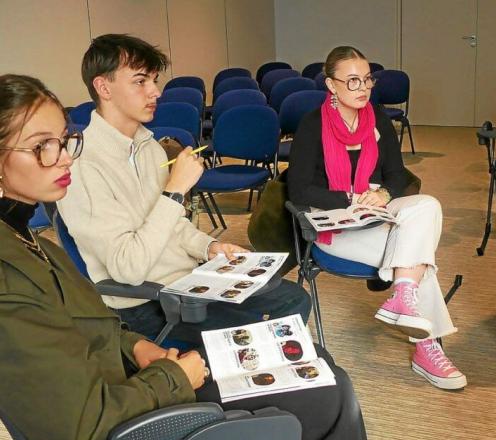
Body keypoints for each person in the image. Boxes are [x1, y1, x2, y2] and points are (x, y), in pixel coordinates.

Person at [0, 73, 368, 440]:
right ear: (104, 87)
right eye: (42, 146)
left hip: (135, 370)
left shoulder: (25, 236)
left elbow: (90, 325)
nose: (63, 158)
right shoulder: (10, 272)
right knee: (329, 391)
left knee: (317, 361)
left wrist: (136, 346)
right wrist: (172, 375)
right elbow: (78, 425)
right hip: (131, 404)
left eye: (63, 141)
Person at [57, 34, 310, 345]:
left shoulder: (147, 147)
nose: (155, 92)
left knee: (292, 298)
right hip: (145, 303)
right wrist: (175, 190)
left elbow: (173, 227)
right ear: (103, 87)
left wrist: (210, 248)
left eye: (153, 80)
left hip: (187, 285)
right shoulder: (80, 163)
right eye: (140, 81)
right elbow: (128, 269)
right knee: (269, 324)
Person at [287, 46, 466, 390]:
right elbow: (299, 190)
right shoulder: (311, 125)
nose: (363, 88)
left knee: (427, 205)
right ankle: (426, 348)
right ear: (331, 85)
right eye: (352, 81)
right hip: (335, 226)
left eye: (367, 79)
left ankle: (402, 294)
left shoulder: (378, 119)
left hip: (376, 213)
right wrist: (349, 199)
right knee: (418, 260)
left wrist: (382, 194)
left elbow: (397, 175)